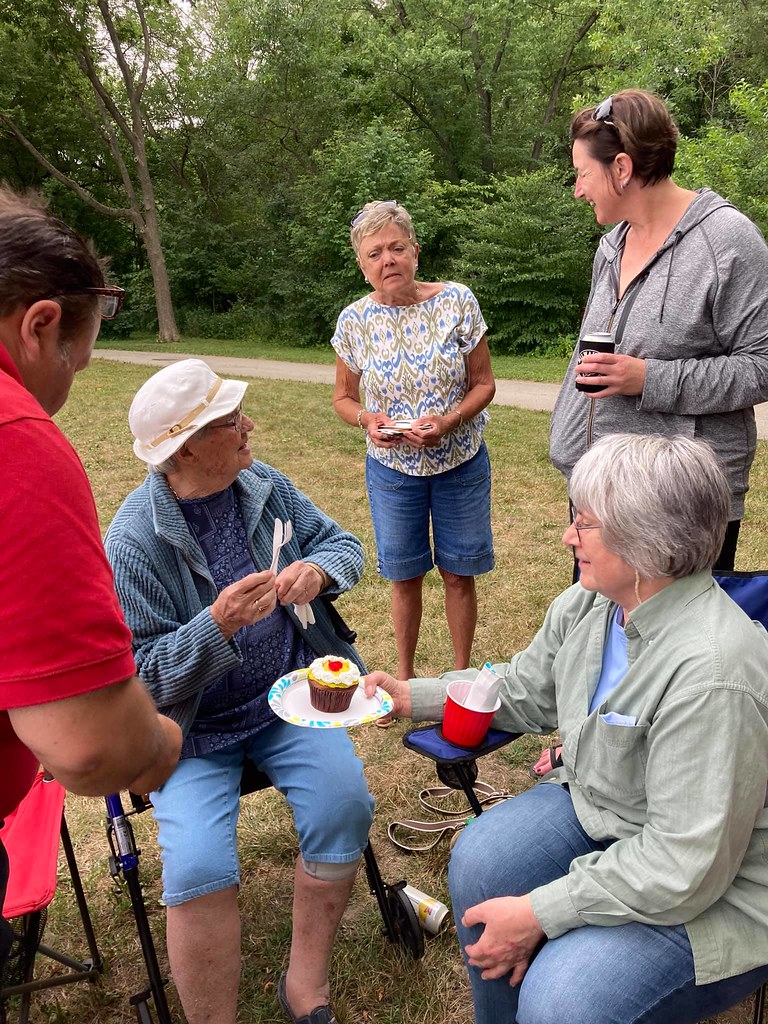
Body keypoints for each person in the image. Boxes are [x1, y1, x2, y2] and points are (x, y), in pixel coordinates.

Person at [366, 433, 768, 1024]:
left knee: (564, 997)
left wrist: (540, 913)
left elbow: (685, 864)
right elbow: (525, 689)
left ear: (647, 538)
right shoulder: (593, 605)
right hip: (607, 811)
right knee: (483, 859)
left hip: (713, 885)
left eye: (585, 523)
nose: (567, 536)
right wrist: (411, 696)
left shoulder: (714, 674)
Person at [104, 358, 373, 1024]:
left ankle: (305, 985)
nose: (248, 424)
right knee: (197, 866)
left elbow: (344, 545)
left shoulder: (262, 485)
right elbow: (141, 678)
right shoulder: (134, 541)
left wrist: (318, 571)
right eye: (230, 420)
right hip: (190, 733)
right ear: (184, 450)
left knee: (345, 805)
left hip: (287, 702)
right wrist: (216, 625)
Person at [0, 188, 182, 967]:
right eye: (76, 357)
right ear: (40, 325)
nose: (69, 382)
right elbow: (86, 744)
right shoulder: (15, 439)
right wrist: (161, 743)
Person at [551, 88, 768, 573]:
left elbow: (762, 366)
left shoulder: (727, 242)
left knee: (673, 626)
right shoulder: (611, 247)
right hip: (600, 492)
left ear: (621, 168)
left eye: (583, 173)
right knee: (599, 621)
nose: (578, 189)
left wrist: (649, 379)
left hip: (679, 504)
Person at [331, 199, 496, 687]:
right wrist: (367, 420)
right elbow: (342, 398)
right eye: (375, 254)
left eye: (396, 248)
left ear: (415, 252)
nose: (388, 260)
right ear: (362, 266)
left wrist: (448, 421)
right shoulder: (354, 321)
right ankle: (403, 681)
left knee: (458, 573)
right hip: (392, 470)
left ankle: (460, 679)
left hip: (459, 460)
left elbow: (484, 384)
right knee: (404, 576)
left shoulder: (457, 302)